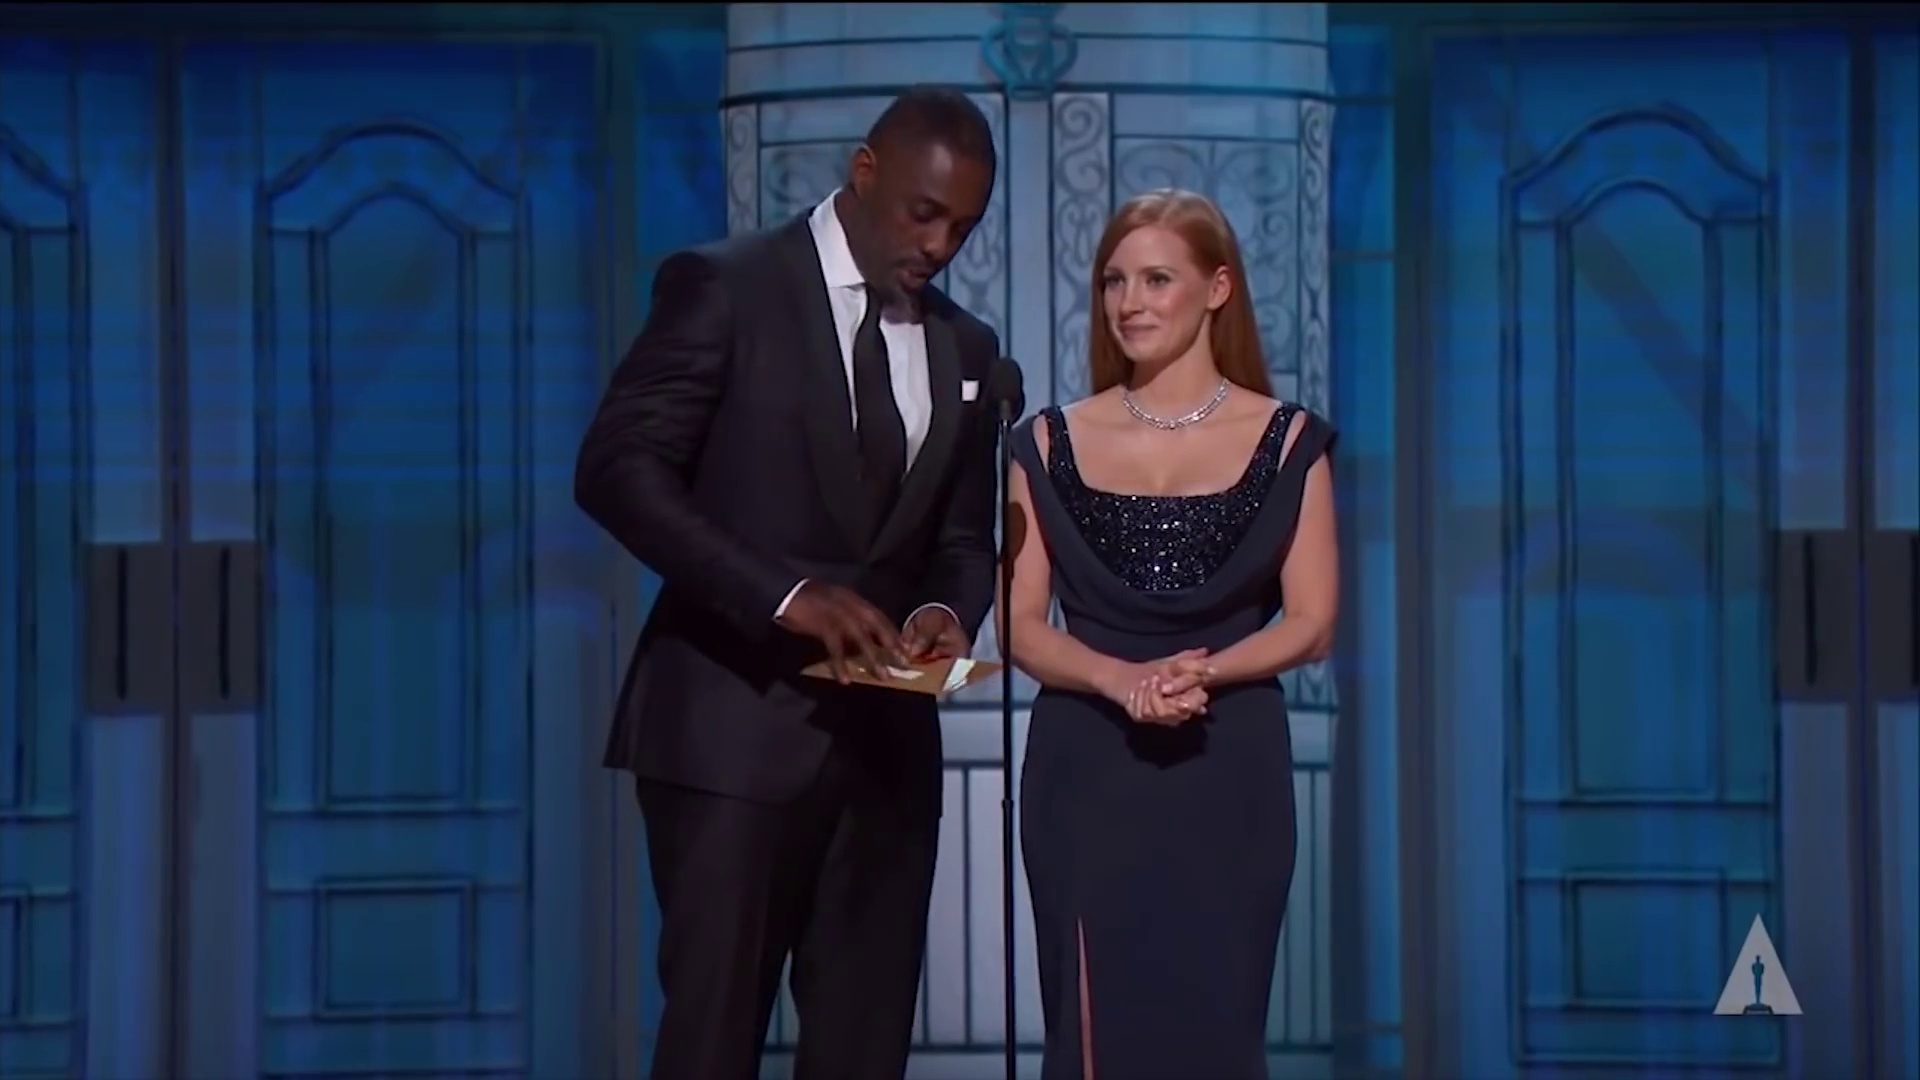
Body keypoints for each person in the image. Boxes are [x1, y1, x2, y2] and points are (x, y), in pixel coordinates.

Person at [573, 86, 1002, 1080]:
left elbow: (963, 540)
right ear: (865, 172)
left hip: (887, 758)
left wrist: (944, 614)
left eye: (963, 227)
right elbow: (618, 470)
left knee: (863, 1052)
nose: (940, 246)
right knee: (712, 1045)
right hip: (730, 737)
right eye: (924, 214)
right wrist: (782, 595)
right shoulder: (726, 288)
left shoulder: (969, 348)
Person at [1000, 188, 1340, 1079]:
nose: (1130, 302)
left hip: (1227, 769)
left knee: (1215, 1033)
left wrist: (1200, 675)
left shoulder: (1290, 440)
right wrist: (1122, 681)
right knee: (1091, 1037)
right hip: (1087, 769)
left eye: (1156, 279)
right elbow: (1022, 628)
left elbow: (1312, 623)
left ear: (1217, 289)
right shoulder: (1043, 443)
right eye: (1114, 281)